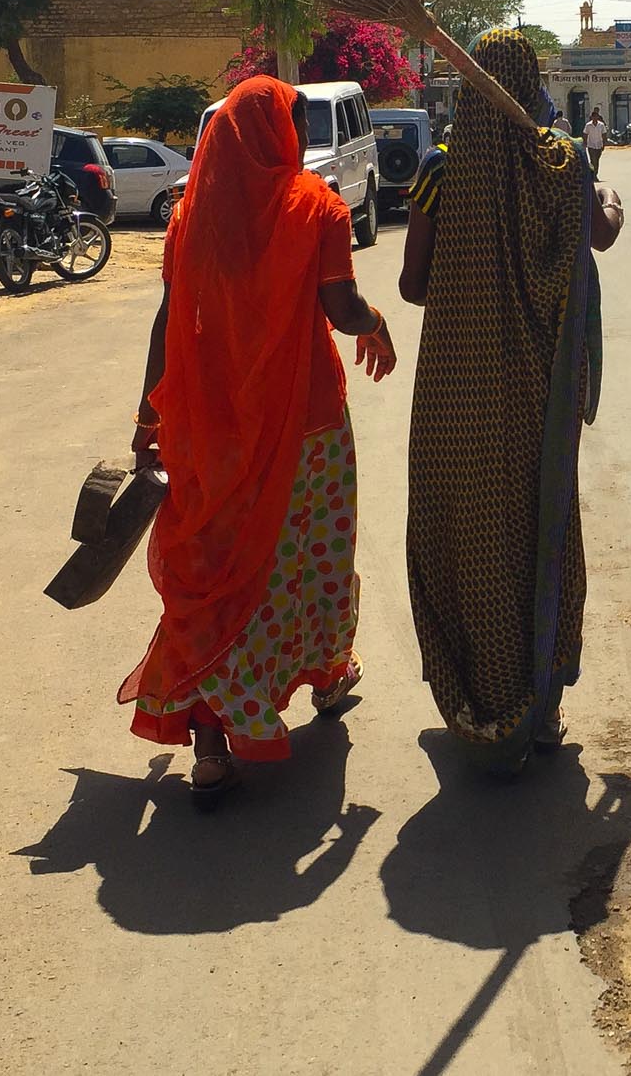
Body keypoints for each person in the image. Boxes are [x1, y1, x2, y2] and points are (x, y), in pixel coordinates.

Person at [122, 76, 398, 805]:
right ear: (281, 136)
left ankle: (210, 744)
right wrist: (374, 322)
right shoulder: (317, 208)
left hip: (210, 430)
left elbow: (167, 321)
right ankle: (329, 674)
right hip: (303, 425)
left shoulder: (190, 216)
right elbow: (339, 307)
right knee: (313, 556)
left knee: (221, 574)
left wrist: (148, 420)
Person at [399, 28, 625, 775]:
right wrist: (611, 198)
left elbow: (411, 285)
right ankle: (543, 705)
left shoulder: (440, 170)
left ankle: (472, 692)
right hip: (536, 386)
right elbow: (602, 234)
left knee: (464, 529)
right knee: (536, 518)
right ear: (530, 82)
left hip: (454, 392)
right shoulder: (560, 162)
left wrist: (476, 269)